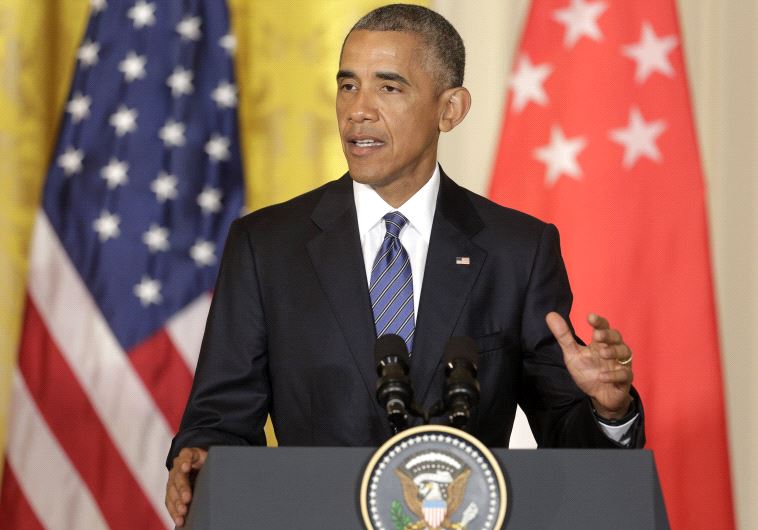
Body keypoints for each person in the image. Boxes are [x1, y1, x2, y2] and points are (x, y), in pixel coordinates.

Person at [165, 4, 644, 526]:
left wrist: (608, 410)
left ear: (450, 109)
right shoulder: (267, 246)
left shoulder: (518, 251)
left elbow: (567, 437)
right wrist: (200, 454)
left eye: (388, 88)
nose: (358, 111)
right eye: (348, 85)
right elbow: (220, 419)